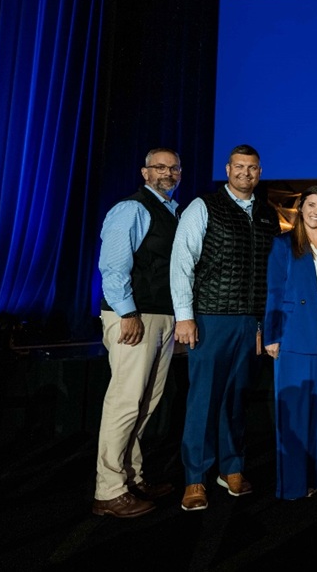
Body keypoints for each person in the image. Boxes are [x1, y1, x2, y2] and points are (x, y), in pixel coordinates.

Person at [170, 144, 279, 511]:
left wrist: (263, 325)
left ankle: (231, 467)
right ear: (228, 169)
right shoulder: (203, 207)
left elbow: (269, 276)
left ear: (259, 172)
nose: (245, 173)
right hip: (210, 318)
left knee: (236, 398)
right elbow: (182, 262)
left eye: (252, 168)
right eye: (239, 167)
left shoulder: (268, 214)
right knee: (204, 398)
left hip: (250, 322)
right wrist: (184, 316)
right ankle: (195, 478)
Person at [91, 148, 182, 518]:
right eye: (160, 167)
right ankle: (108, 491)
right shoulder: (131, 208)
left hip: (161, 316)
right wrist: (127, 313)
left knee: (146, 404)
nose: (168, 173)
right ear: (145, 173)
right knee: (125, 402)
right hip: (135, 316)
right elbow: (112, 268)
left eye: (174, 168)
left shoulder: (171, 210)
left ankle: (131, 474)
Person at [263, 186, 317, 500]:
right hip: (293, 333)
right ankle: (292, 486)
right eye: (311, 205)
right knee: (293, 411)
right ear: (300, 208)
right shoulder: (283, 244)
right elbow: (274, 292)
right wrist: (271, 335)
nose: (316, 212)